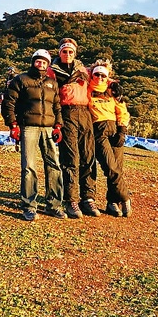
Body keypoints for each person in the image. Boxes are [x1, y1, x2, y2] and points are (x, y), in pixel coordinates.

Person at [1, 49, 66, 221]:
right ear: (33, 62)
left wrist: (58, 125)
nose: (41, 64)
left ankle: (54, 205)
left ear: (48, 64)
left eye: (44, 62)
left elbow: (57, 106)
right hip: (28, 127)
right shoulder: (21, 80)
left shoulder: (52, 83)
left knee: (54, 166)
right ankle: (29, 206)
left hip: (48, 129)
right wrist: (13, 125)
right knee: (29, 167)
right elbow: (8, 102)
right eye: (38, 61)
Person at [51, 37, 100, 218]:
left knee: (88, 156)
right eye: (65, 51)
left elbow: (101, 80)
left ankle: (88, 197)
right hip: (66, 112)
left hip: (85, 113)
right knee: (71, 156)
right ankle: (71, 199)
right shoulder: (52, 71)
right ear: (60, 53)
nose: (68, 54)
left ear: (75, 53)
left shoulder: (83, 70)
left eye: (71, 52)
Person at [88, 60, 132, 217]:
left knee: (118, 167)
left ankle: (112, 202)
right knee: (110, 167)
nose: (99, 77)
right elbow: (82, 72)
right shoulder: (87, 88)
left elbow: (122, 110)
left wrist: (122, 129)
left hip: (115, 128)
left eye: (103, 75)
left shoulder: (113, 91)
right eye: (96, 74)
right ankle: (125, 197)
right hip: (98, 129)